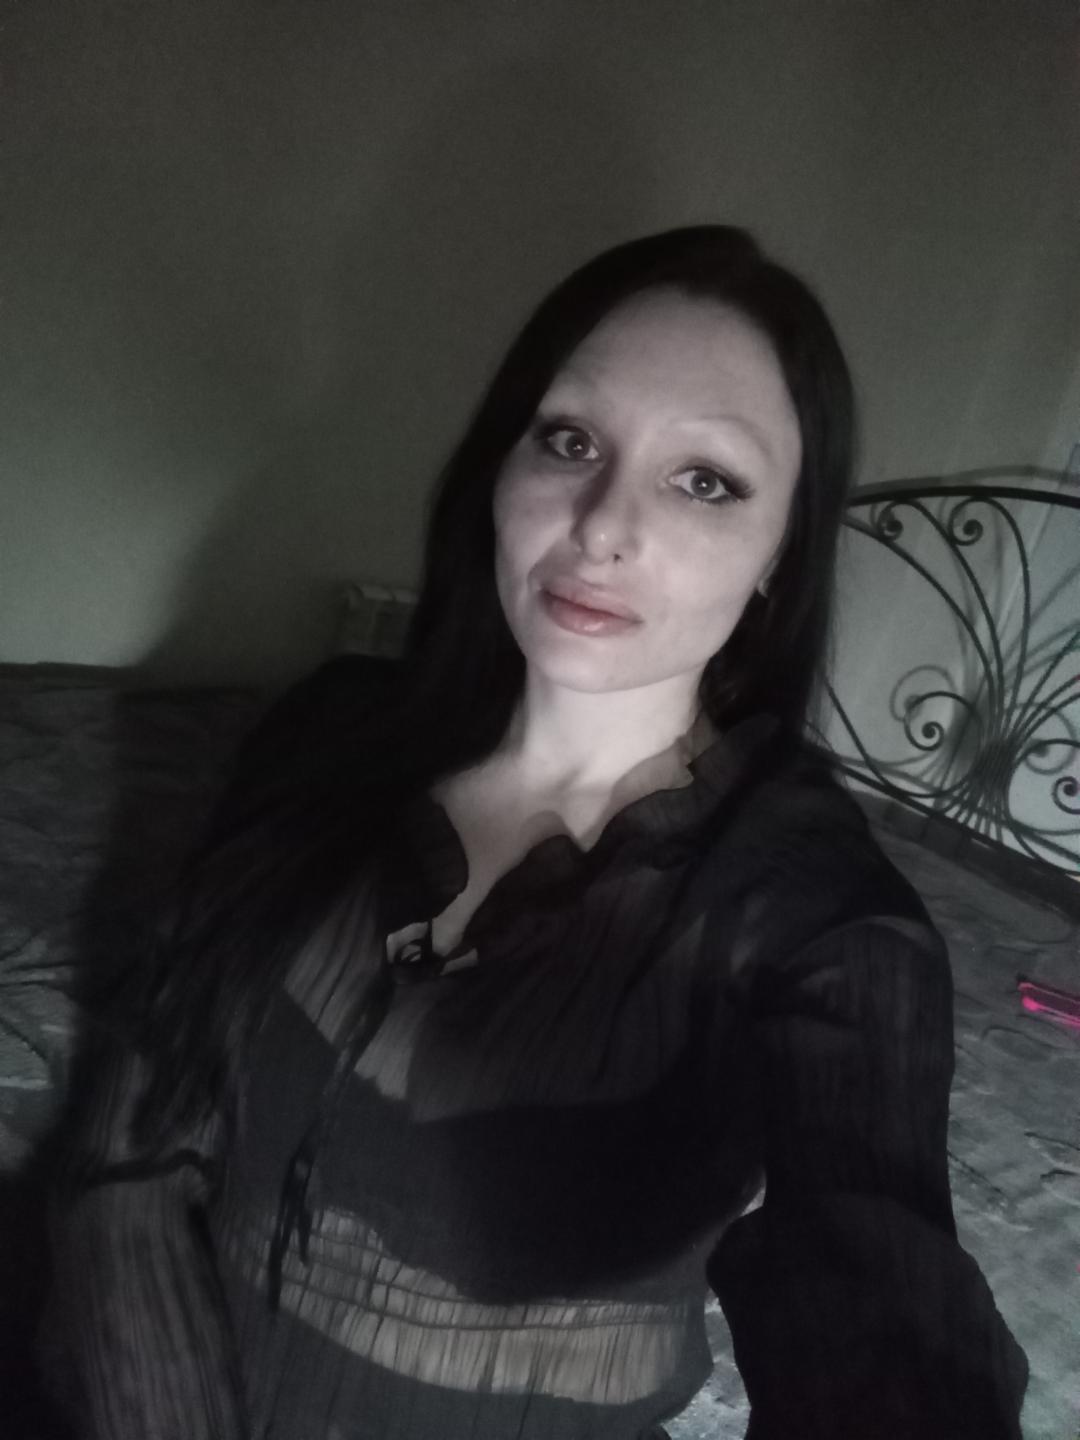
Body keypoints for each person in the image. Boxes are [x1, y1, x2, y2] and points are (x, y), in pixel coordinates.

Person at [46, 226, 1028, 1439]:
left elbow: (877, 1292)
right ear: (500, 467)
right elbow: (136, 1142)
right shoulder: (327, 730)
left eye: (705, 480)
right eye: (570, 440)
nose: (603, 524)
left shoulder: (822, 924)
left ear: (781, 552)